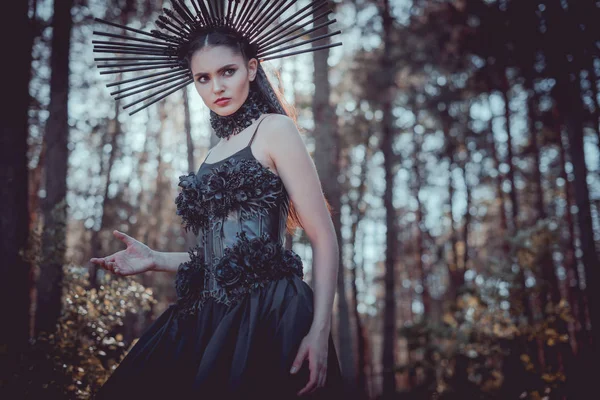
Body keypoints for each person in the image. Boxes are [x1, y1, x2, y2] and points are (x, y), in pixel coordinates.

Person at [89, 1, 343, 398]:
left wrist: (319, 331)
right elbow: (217, 260)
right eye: (203, 78)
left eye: (228, 71)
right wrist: (156, 259)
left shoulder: (275, 130)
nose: (217, 87)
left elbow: (324, 238)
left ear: (252, 68)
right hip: (203, 316)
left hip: (268, 314)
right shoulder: (211, 154)